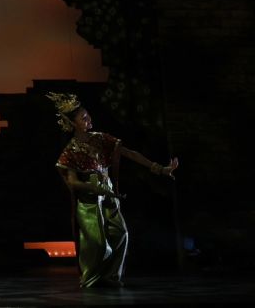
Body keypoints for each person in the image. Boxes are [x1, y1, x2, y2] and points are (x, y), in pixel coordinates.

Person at [47, 92, 178, 288]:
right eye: (83, 118)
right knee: (98, 244)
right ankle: (90, 279)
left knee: (121, 233)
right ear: (72, 123)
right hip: (89, 198)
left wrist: (159, 168)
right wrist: (90, 186)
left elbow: (129, 153)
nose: (88, 119)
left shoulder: (100, 139)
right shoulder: (70, 151)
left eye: (88, 115)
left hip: (107, 190)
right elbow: (72, 181)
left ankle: (111, 276)